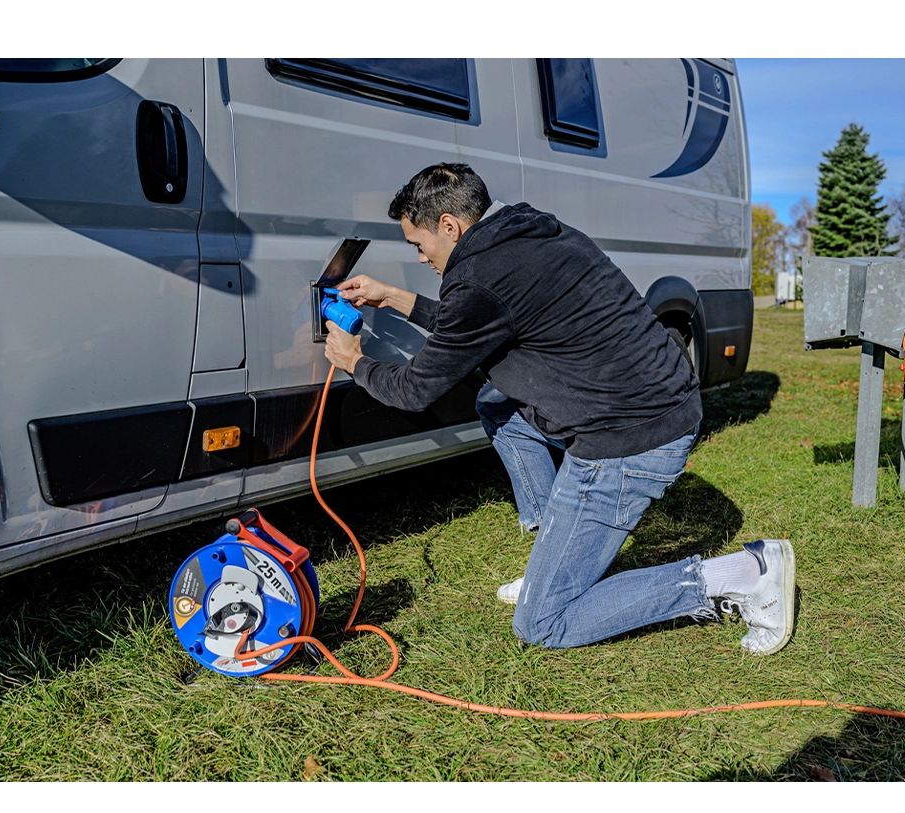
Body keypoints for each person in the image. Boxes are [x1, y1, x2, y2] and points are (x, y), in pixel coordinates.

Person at [323, 162, 795, 655]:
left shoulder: (478, 278)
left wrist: (355, 362)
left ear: (449, 226)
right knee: (496, 403)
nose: (420, 258)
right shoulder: (527, 232)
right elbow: (480, 322)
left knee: (544, 622)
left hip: (630, 437)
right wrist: (397, 299)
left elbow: (416, 389)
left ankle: (744, 574)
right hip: (661, 402)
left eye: (418, 245)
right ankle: (557, 548)